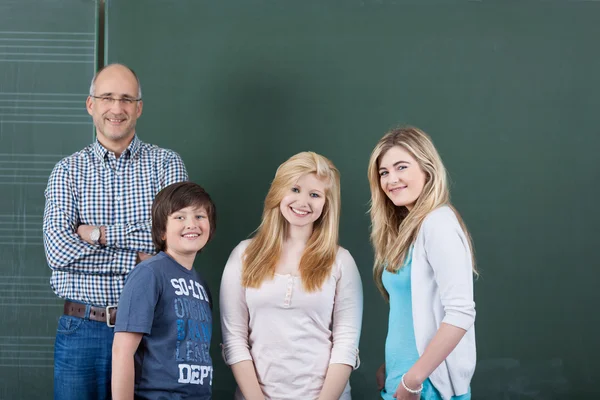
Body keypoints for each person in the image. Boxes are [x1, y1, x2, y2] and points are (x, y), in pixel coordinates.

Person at [42, 63, 188, 400]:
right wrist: (138, 258)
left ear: (139, 107)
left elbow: (174, 243)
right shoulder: (67, 172)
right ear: (91, 105)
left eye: (126, 99)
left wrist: (97, 235)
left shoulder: (167, 164)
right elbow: (58, 252)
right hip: (82, 330)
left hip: (152, 330)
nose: (116, 108)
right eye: (107, 97)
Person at [220, 151, 363, 400]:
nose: (303, 202)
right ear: (279, 192)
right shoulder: (244, 255)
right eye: (295, 189)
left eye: (315, 195)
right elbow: (234, 339)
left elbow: (346, 345)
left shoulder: (341, 261)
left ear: (327, 203)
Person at [368, 127, 477, 400]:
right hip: (403, 380)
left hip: (428, 387)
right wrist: (391, 366)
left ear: (427, 170)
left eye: (401, 167)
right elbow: (412, 312)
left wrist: (414, 379)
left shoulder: (437, 222)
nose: (391, 179)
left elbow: (460, 312)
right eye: (384, 172)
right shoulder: (410, 228)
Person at [112, 181, 216, 400]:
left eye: (200, 216)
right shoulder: (149, 274)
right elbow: (122, 351)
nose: (192, 224)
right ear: (161, 231)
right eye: (180, 217)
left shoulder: (201, 284)